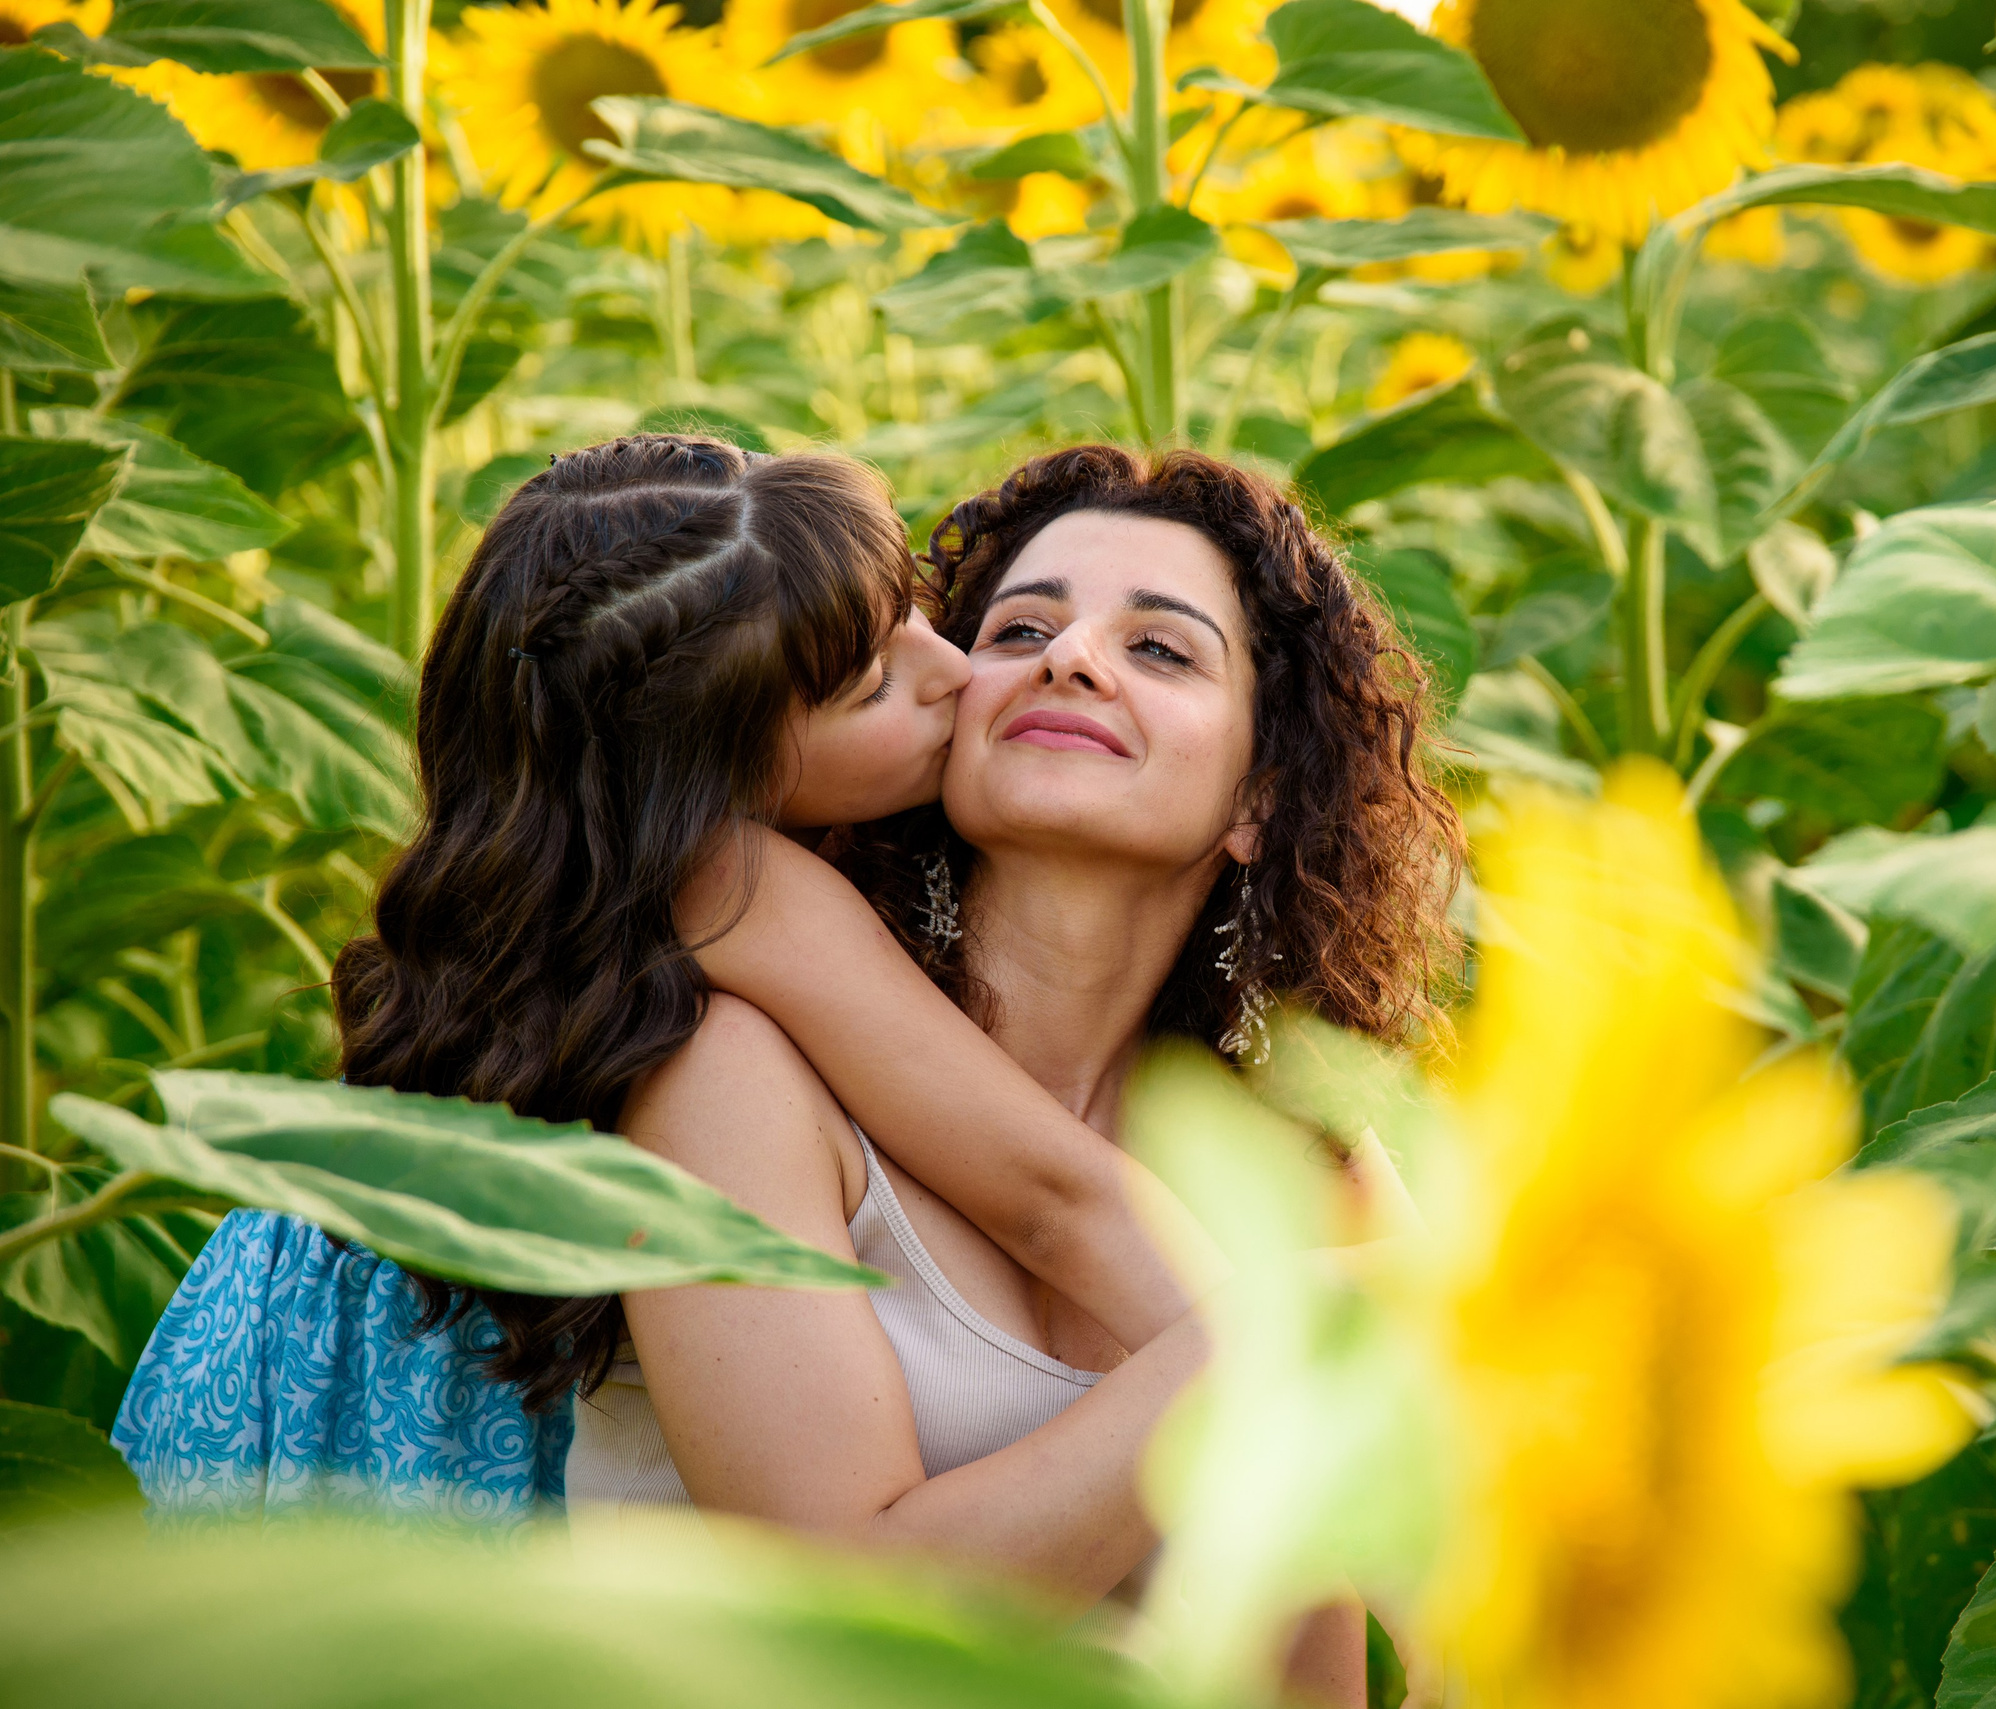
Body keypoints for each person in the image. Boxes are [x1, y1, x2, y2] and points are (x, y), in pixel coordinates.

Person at [113, 434, 1204, 1534]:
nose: (954, 667)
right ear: (714, 772)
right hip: (404, 1421)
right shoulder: (729, 881)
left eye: (913, 610)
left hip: (313, 1341)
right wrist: (1298, 1354)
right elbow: (1042, 1188)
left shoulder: (589, 875)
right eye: (874, 683)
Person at [583, 445, 1464, 1702]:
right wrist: (1259, 1346)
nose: (1071, 657)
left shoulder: (1295, 1165)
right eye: (1018, 628)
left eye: (1158, 650)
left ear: (1259, 798)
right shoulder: (738, 1062)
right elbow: (828, 1627)